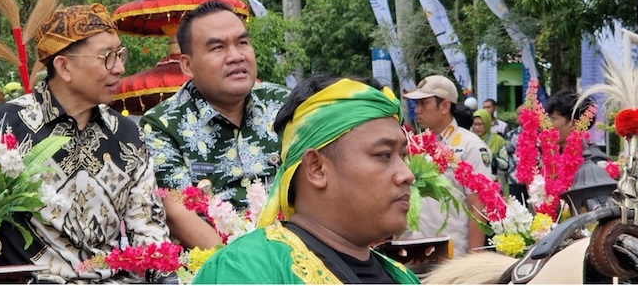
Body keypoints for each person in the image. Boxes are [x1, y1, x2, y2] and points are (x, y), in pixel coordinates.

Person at [0, 4, 170, 284]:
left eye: (120, 55)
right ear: (64, 66)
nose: (119, 68)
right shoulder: (2, 127)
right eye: (107, 57)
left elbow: (148, 229)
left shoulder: (128, 135)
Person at [193, 76, 420, 284]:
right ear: (316, 168)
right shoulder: (244, 270)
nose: (407, 175)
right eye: (384, 155)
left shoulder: (404, 278)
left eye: (402, 156)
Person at [140, 0, 290, 249]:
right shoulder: (161, 126)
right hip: (218, 261)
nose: (236, 56)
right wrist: (248, 266)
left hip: (296, 253)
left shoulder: (284, 104)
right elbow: (178, 211)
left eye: (242, 43)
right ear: (187, 65)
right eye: (218, 48)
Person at [402, 75, 492, 254]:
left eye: (423, 103)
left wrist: (474, 261)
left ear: (444, 106)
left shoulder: (470, 146)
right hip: (411, 252)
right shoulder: (414, 145)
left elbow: (478, 207)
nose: (417, 110)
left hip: (451, 255)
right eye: (416, 104)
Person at [471, 109, 509, 183]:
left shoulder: (498, 140)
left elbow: (505, 164)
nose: (477, 127)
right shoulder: (468, 140)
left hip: (492, 181)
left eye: (480, 124)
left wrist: (492, 158)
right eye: (474, 124)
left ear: (487, 124)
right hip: (472, 181)